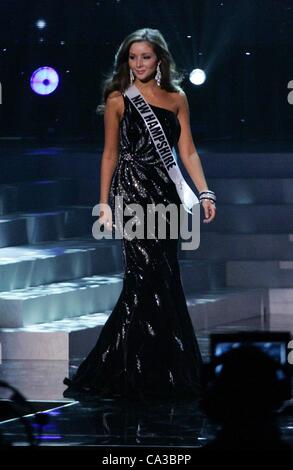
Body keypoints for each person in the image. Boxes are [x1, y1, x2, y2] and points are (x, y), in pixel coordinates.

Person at [63, 28, 216, 401]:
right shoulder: (119, 99)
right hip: (132, 193)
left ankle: (164, 369)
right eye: (132, 58)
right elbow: (110, 154)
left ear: (159, 59)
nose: (138, 64)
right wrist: (104, 204)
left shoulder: (177, 98)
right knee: (141, 279)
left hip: (167, 194)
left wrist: (205, 192)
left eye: (145, 57)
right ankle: (125, 368)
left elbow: (188, 151)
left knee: (166, 278)